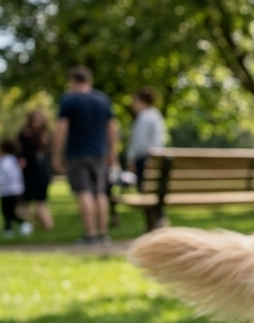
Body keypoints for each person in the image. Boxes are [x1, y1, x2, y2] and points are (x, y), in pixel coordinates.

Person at [54, 66, 119, 244]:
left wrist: (56, 153)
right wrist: (112, 151)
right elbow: (112, 127)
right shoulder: (102, 100)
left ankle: (90, 234)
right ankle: (103, 233)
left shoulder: (69, 101)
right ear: (89, 80)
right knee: (100, 193)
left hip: (77, 153)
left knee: (84, 192)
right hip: (99, 153)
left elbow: (61, 128)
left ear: (73, 81)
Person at [17, 109, 54, 232]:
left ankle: (46, 226)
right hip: (29, 172)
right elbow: (21, 152)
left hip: (41, 171)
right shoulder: (25, 134)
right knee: (24, 202)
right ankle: (33, 224)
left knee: (40, 201)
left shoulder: (46, 135)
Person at [126, 87, 167, 185]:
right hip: (157, 158)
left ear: (142, 101)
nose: (133, 105)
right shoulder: (157, 115)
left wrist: (131, 158)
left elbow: (139, 141)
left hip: (144, 160)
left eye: (134, 101)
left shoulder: (144, 116)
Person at [0, 139, 24, 237]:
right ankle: (8, 229)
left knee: (8, 211)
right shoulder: (13, 160)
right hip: (13, 189)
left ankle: (19, 225)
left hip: (9, 190)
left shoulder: (6, 161)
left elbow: (7, 176)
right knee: (8, 211)